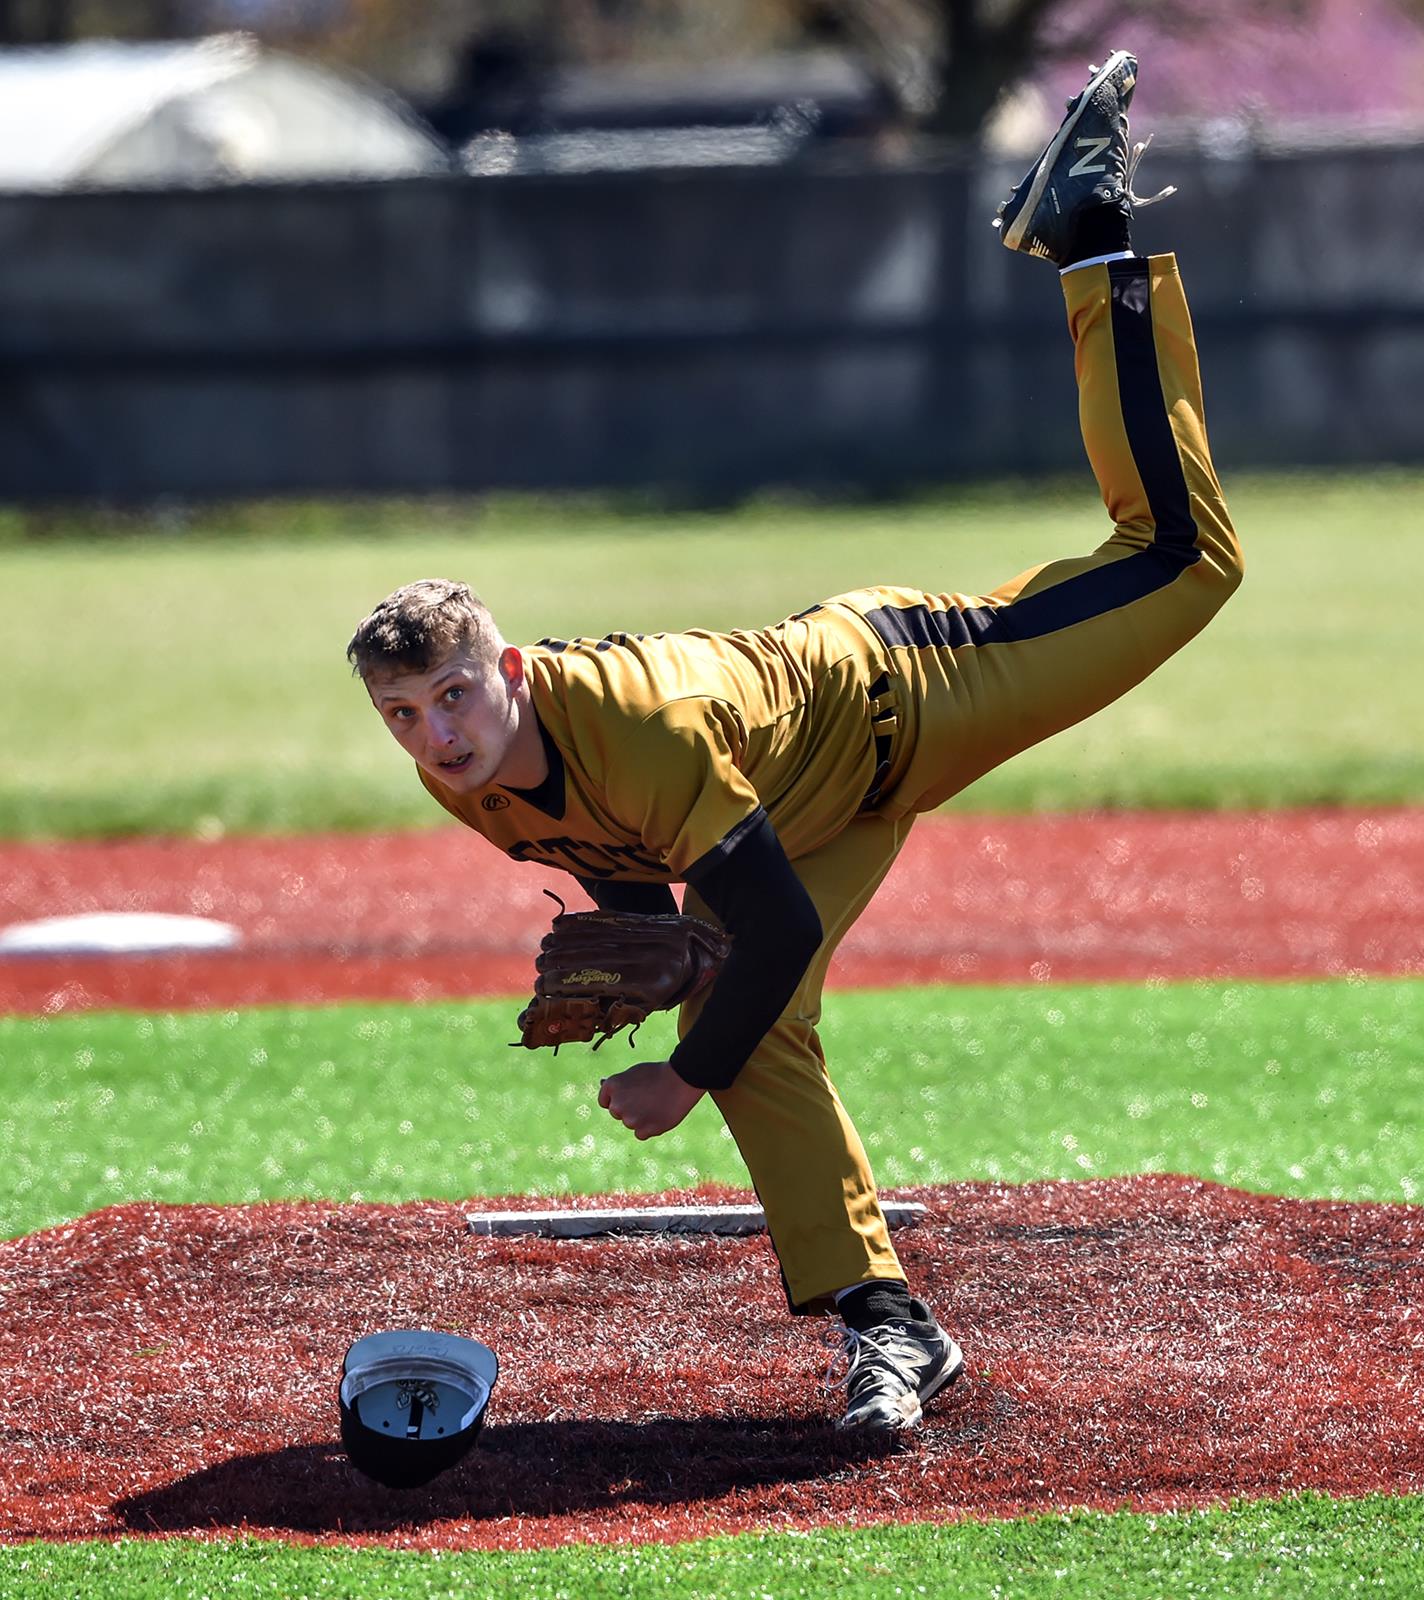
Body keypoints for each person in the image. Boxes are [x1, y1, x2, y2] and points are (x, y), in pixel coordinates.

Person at [345, 49, 1242, 1439]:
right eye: (405, 717)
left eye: (453, 695)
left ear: (508, 670)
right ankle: (893, 1331)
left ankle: (1090, 239)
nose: (437, 733)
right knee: (745, 1016)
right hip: (813, 804)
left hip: (915, 688)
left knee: (1183, 560)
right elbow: (649, 882)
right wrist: (655, 956)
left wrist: (680, 1070)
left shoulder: (634, 720)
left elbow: (747, 917)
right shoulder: (468, 779)